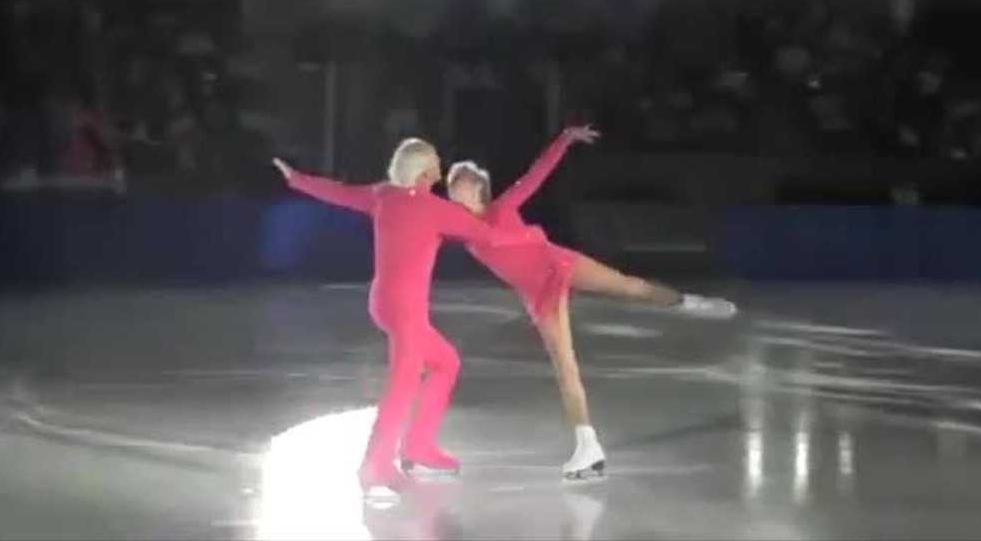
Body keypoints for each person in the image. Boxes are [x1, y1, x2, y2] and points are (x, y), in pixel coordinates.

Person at [445, 125, 736, 480]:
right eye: (448, 185)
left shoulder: (503, 206)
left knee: (629, 286)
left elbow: (537, 173)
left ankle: (690, 303)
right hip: (539, 294)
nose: (449, 190)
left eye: (455, 182)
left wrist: (565, 139)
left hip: (557, 262)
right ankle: (588, 446)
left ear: (476, 186)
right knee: (565, 367)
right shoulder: (457, 227)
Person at [273, 138, 530, 498]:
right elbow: (493, 236)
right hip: (406, 310)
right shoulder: (437, 209)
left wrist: (298, 180)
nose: (441, 170)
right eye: (436, 165)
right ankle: (374, 466)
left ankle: (417, 446)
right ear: (425, 172)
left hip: (383, 303)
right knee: (402, 387)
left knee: (445, 363)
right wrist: (525, 232)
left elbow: (339, 192)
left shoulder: (382, 195)